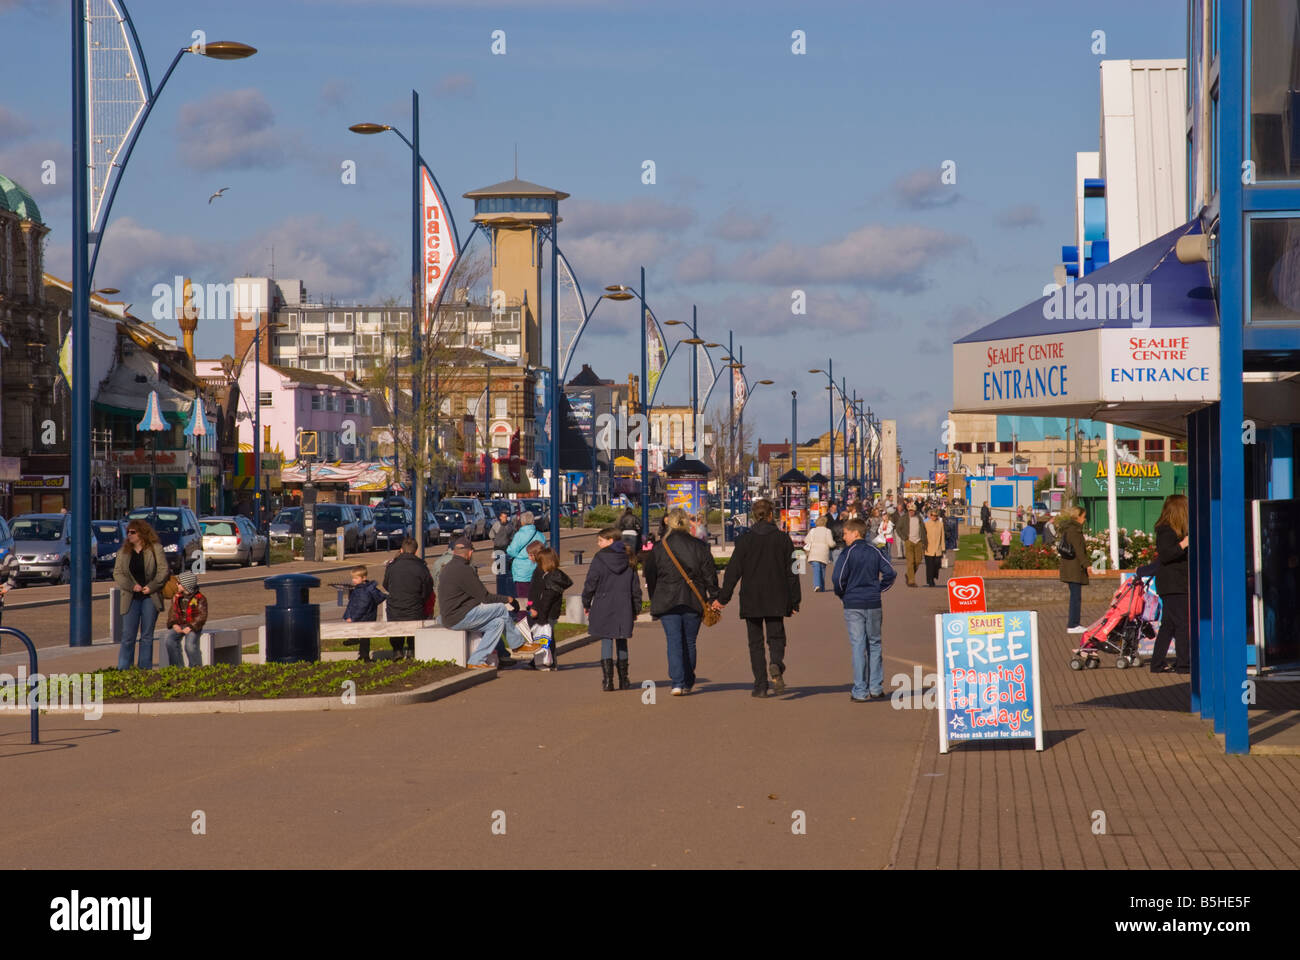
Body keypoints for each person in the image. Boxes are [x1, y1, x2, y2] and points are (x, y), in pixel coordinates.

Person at [716, 498, 801, 698]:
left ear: (754, 516)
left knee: (755, 643)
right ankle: (776, 663)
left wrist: (723, 598)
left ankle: (760, 685)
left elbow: (733, 572)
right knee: (776, 637)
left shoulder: (745, 541)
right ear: (772, 515)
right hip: (777, 597)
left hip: (751, 598)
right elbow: (794, 571)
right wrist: (795, 600)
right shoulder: (783, 539)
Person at [644, 508, 719, 696]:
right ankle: (688, 680)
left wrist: (654, 598)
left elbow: (650, 575)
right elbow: (709, 573)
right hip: (693, 599)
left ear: (668, 523)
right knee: (690, 642)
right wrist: (714, 595)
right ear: (687, 523)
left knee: (674, 641)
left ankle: (677, 682)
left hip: (667, 600)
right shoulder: (698, 546)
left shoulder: (660, 547)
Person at [439, 536, 540, 667]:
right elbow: (485, 597)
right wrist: (507, 599)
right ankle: (518, 645)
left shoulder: (448, 568)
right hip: (459, 617)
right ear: (470, 553)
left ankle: (476, 660)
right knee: (501, 608)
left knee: (497, 623)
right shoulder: (464, 570)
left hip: (450, 616)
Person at [833, 517, 897, 701]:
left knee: (858, 645)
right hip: (873, 602)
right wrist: (879, 588)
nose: (843, 537)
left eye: (845, 533)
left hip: (853, 604)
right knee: (875, 644)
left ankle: (860, 690)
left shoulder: (848, 553)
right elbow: (890, 573)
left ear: (855, 533)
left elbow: (838, 579)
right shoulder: (874, 551)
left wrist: (843, 594)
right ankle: (876, 687)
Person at [582, 528, 642, 691]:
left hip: (603, 603)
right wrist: (636, 608)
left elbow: (591, 582)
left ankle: (608, 681)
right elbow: (635, 586)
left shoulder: (600, 558)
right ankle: (624, 679)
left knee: (606, 640)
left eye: (600, 540)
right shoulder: (629, 556)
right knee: (622, 639)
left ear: (610, 540)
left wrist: (586, 602)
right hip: (624, 604)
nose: (598, 543)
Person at [114, 518, 169, 670]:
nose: (129, 535)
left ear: (142, 533)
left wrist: (151, 586)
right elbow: (117, 573)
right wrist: (132, 586)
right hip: (131, 597)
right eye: (128, 532)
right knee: (128, 636)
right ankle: (124, 668)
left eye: (133, 532)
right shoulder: (123, 552)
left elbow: (163, 570)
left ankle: (144, 668)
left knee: (146, 636)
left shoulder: (155, 548)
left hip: (150, 597)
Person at [1150, 493, 1191, 674]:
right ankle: (1184, 664)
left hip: (1175, 583)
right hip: (1174, 584)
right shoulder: (1166, 530)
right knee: (1181, 624)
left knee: (1168, 625)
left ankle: (1157, 663)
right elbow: (1166, 555)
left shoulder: (1175, 530)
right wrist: (1184, 544)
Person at [382, 537, 433, 659]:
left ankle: (397, 650)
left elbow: (385, 584)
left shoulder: (392, 566)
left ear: (401, 550)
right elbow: (428, 588)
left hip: (395, 608)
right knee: (415, 625)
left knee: (396, 625)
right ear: (416, 551)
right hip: (415, 608)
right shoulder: (422, 567)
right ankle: (411, 649)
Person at [526, 546, 572, 670]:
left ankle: (550, 661)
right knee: (545, 635)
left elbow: (546, 599)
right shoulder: (550, 576)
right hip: (547, 611)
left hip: (547, 612)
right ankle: (543, 659)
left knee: (546, 636)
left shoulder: (551, 579)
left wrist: (540, 614)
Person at [162, 571, 209, 668]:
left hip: (192, 626)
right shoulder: (177, 597)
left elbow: (201, 616)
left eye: (179, 583)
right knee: (169, 640)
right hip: (180, 624)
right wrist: (174, 624)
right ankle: (177, 666)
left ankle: (195, 666)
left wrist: (191, 627)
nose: (177, 585)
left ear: (186, 585)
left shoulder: (200, 598)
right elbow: (173, 612)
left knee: (190, 645)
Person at [344, 564, 388, 662]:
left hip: (363, 617)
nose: (353, 580)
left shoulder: (363, 591)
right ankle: (363, 655)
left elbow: (361, 606)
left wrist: (352, 617)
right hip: (367, 616)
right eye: (353, 578)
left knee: (364, 637)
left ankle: (363, 654)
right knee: (365, 638)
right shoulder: (363, 589)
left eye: (356, 578)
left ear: (364, 578)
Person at [1058, 505, 1090, 633]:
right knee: (1076, 598)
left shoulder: (1069, 529)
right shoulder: (1075, 531)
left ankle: (1074, 624)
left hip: (1069, 567)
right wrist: (1087, 564)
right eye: (1083, 516)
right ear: (1078, 517)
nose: (1085, 519)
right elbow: (1079, 550)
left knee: (1075, 596)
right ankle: (1073, 625)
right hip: (1074, 568)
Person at [507, 511, 546, 613]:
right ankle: (534, 617)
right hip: (536, 569)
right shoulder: (540, 535)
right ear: (533, 521)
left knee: (523, 599)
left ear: (522, 522)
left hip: (521, 572)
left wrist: (521, 556)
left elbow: (511, 550)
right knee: (534, 598)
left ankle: (524, 621)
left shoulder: (519, 535)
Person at [490, 508, 517, 595]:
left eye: (506, 517)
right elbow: (491, 534)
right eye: (503, 517)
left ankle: (505, 589)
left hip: (506, 549)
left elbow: (513, 536)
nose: (505, 519)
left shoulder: (510, 526)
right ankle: (501, 588)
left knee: (506, 569)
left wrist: (509, 543)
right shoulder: (496, 525)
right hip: (498, 549)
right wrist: (495, 541)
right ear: (500, 517)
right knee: (499, 569)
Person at [804, 515, 835, 592]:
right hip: (823, 553)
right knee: (822, 570)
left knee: (816, 569)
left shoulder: (812, 531)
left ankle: (817, 585)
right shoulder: (828, 531)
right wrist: (834, 544)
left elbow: (806, 540)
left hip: (814, 553)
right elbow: (831, 543)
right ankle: (822, 587)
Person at [901, 502, 928, 588]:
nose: (911, 512)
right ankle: (911, 581)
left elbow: (923, 529)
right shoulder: (904, 518)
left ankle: (909, 574)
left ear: (915, 511)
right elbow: (898, 528)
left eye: (912, 511)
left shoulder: (919, 518)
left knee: (918, 560)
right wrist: (904, 537)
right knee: (910, 561)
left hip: (918, 541)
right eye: (910, 511)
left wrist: (924, 541)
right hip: (909, 541)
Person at [923, 508, 945, 587]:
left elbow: (942, 536)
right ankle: (930, 581)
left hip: (938, 548)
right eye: (932, 515)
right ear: (930, 516)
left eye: (935, 516)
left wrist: (943, 548)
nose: (934, 517)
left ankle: (934, 575)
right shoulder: (926, 524)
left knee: (937, 564)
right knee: (929, 566)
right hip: (928, 548)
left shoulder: (940, 524)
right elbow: (923, 536)